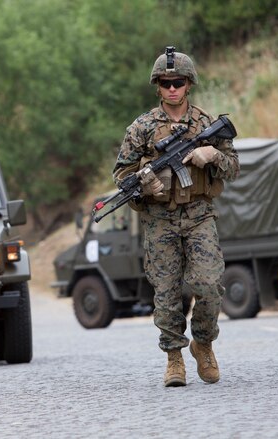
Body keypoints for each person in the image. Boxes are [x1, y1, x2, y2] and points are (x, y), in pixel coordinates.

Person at [113, 47, 240, 387]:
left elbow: (233, 167)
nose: (172, 88)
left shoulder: (204, 124)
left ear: (189, 84)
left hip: (200, 214)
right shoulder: (140, 128)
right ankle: (174, 358)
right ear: (158, 86)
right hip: (161, 220)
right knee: (166, 294)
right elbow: (122, 175)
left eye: (178, 82)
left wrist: (211, 154)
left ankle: (203, 343)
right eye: (166, 82)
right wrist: (146, 183)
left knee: (210, 285)